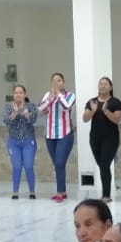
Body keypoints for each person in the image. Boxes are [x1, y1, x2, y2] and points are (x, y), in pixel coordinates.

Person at [83, 76, 121, 199]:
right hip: (95, 138)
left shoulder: (115, 102)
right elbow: (85, 119)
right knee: (101, 165)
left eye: (105, 84)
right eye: (101, 84)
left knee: (105, 165)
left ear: (110, 87)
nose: (103, 86)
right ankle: (106, 192)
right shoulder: (92, 102)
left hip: (110, 138)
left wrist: (106, 111)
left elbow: (116, 119)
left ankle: (106, 195)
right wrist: (93, 110)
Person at [39, 72, 76, 200]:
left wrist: (58, 94)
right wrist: (50, 98)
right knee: (57, 164)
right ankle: (62, 191)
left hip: (65, 134)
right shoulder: (48, 95)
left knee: (60, 162)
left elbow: (66, 106)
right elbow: (42, 110)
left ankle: (60, 192)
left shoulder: (70, 96)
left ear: (63, 82)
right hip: (50, 135)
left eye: (59, 80)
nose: (57, 83)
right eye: (54, 81)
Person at [3, 83, 39, 199]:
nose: (18, 95)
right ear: (13, 95)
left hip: (28, 140)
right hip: (13, 141)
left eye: (21, 93)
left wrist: (25, 112)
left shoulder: (31, 106)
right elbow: (6, 121)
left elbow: (33, 120)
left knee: (28, 166)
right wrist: (14, 113)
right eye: (16, 93)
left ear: (25, 94)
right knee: (17, 166)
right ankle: (15, 192)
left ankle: (32, 191)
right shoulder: (8, 107)